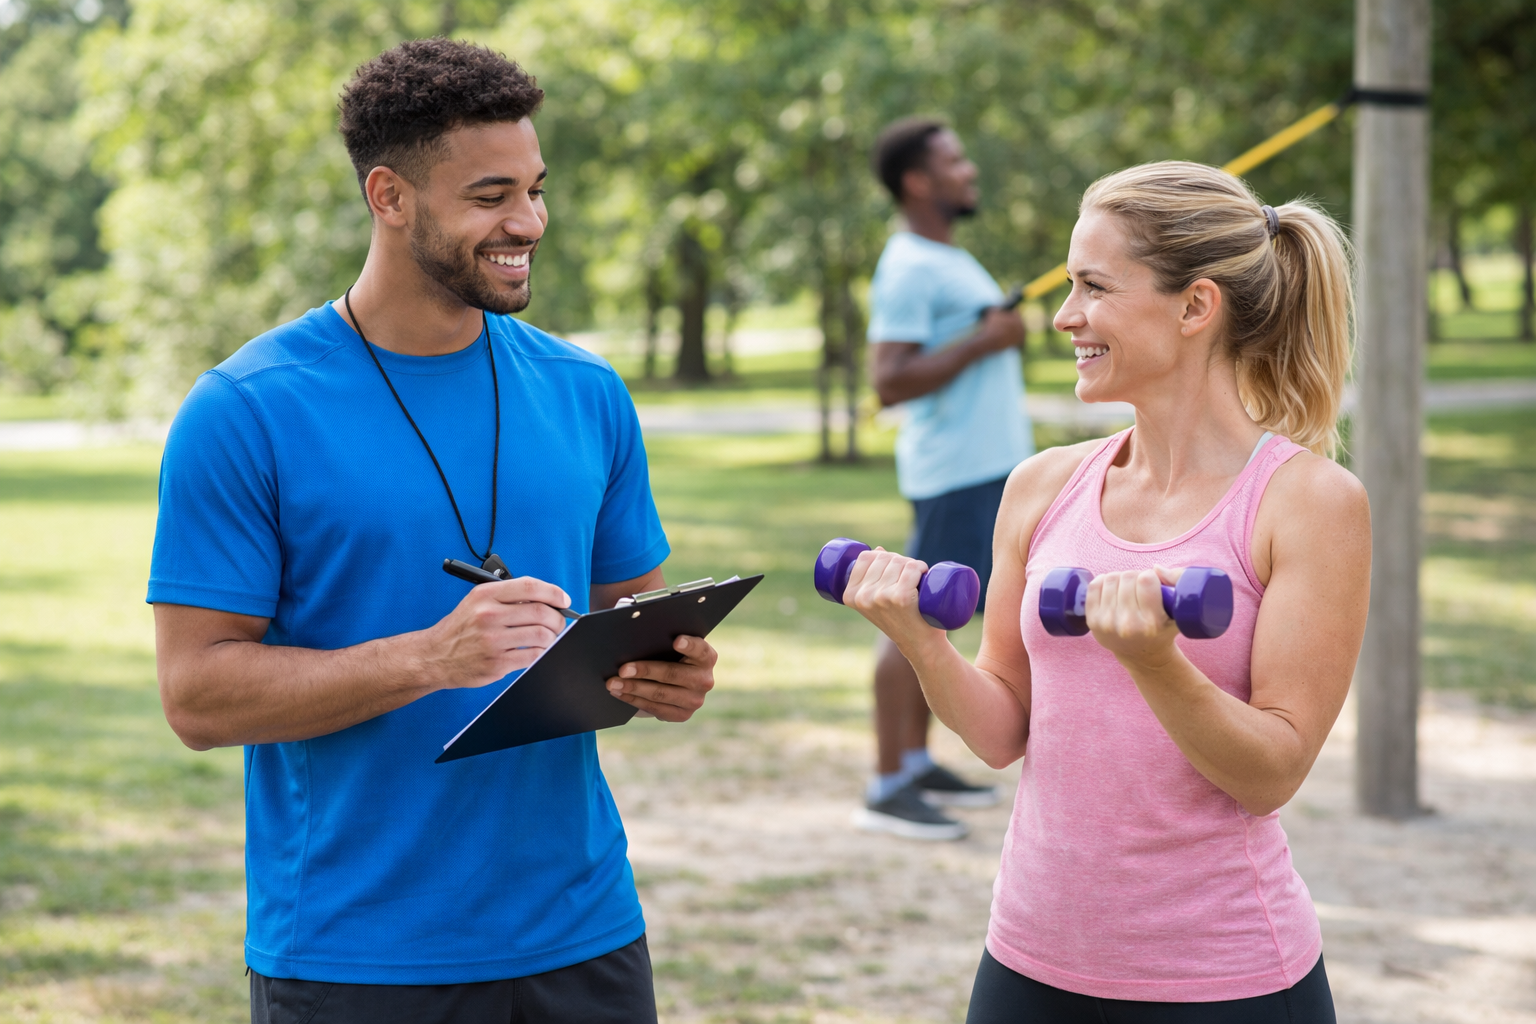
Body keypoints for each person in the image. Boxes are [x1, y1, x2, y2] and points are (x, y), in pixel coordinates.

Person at [149, 40, 718, 1024]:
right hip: (356, 956)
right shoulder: (246, 410)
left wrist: (670, 674)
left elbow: (632, 616)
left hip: (584, 935)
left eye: (536, 190)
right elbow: (196, 697)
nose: (527, 222)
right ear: (390, 196)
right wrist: (427, 658)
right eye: (491, 196)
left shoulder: (587, 392)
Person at [842, 161, 1368, 1021]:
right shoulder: (1041, 486)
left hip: (1223, 978)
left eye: (1093, 286)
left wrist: (1157, 663)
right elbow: (1002, 731)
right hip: (1029, 957)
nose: (1063, 316)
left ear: (1195, 307)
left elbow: (1271, 774)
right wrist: (919, 638)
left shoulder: (1308, 503)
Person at [856, 118, 1035, 840]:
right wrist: (987, 339)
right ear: (916, 181)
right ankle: (886, 783)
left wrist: (988, 334)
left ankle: (915, 762)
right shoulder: (908, 265)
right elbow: (889, 379)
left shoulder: (945, 257)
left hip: (984, 469)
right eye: (954, 161)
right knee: (915, 612)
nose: (970, 171)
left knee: (937, 612)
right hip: (956, 473)